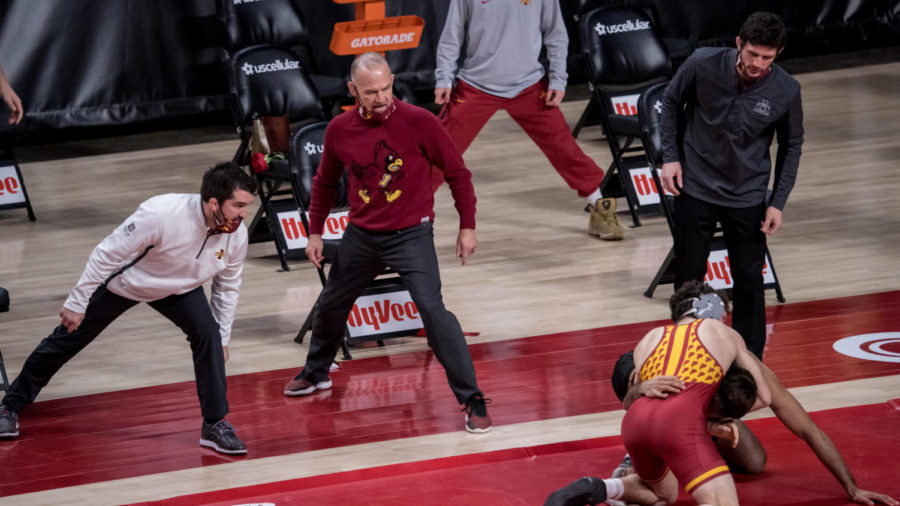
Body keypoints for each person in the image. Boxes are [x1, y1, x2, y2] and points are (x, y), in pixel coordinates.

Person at [282, 52, 492, 434]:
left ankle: (471, 397)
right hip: (362, 235)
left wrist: (468, 226)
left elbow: (458, 173)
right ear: (353, 90)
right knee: (330, 303)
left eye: (385, 88)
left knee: (433, 310)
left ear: (392, 80)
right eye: (370, 92)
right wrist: (314, 231)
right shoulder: (339, 130)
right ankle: (317, 373)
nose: (380, 98)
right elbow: (326, 183)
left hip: (412, 234)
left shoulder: (419, 122)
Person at [0, 163, 257, 455]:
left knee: (209, 334)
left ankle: (214, 424)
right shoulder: (161, 214)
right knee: (67, 338)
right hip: (127, 282)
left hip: (179, 288)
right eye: (238, 205)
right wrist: (77, 301)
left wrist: (222, 338)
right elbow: (106, 253)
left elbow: (227, 287)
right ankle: (9, 407)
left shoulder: (237, 235)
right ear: (214, 203)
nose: (244, 214)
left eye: (247, 206)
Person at [546, 281, 771, 506]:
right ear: (713, 310)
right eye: (723, 316)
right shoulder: (721, 331)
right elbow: (763, 396)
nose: (724, 321)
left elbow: (630, 402)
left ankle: (599, 487)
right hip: (679, 425)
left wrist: (643, 389)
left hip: (635, 425)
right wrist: (712, 422)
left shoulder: (650, 338)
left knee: (663, 494)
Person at [659, 11, 804, 359]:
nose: (757, 63)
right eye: (752, 54)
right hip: (695, 186)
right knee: (689, 276)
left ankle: (749, 355)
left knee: (749, 278)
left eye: (767, 57)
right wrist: (670, 157)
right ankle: (687, 346)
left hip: (747, 194)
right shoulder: (702, 63)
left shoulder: (786, 90)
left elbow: (792, 145)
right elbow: (669, 103)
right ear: (739, 44)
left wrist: (777, 202)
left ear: (778, 53)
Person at [433, 0, 624, 241]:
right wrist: (443, 78)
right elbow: (452, 34)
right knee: (440, 151)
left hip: (528, 85)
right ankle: (404, 216)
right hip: (476, 86)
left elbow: (556, 34)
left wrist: (557, 79)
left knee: (563, 147)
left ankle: (599, 206)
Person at [609, 351, 899, 506]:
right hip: (641, 371)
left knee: (754, 461)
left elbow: (809, 430)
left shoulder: (759, 379)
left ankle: (699, 432)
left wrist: (852, 487)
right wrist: (644, 389)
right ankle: (633, 461)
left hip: (695, 402)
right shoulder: (690, 377)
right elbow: (630, 403)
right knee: (660, 432)